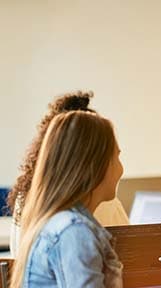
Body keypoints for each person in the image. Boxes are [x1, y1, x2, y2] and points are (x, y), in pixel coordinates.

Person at [2, 110, 137, 288]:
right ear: (95, 164)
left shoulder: (57, 223)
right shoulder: (74, 233)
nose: (122, 169)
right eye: (117, 156)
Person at [6, 91, 129, 256]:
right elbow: (133, 260)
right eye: (113, 157)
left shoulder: (30, 199)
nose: (120, 169)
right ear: (88, 158)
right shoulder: (96, 205)